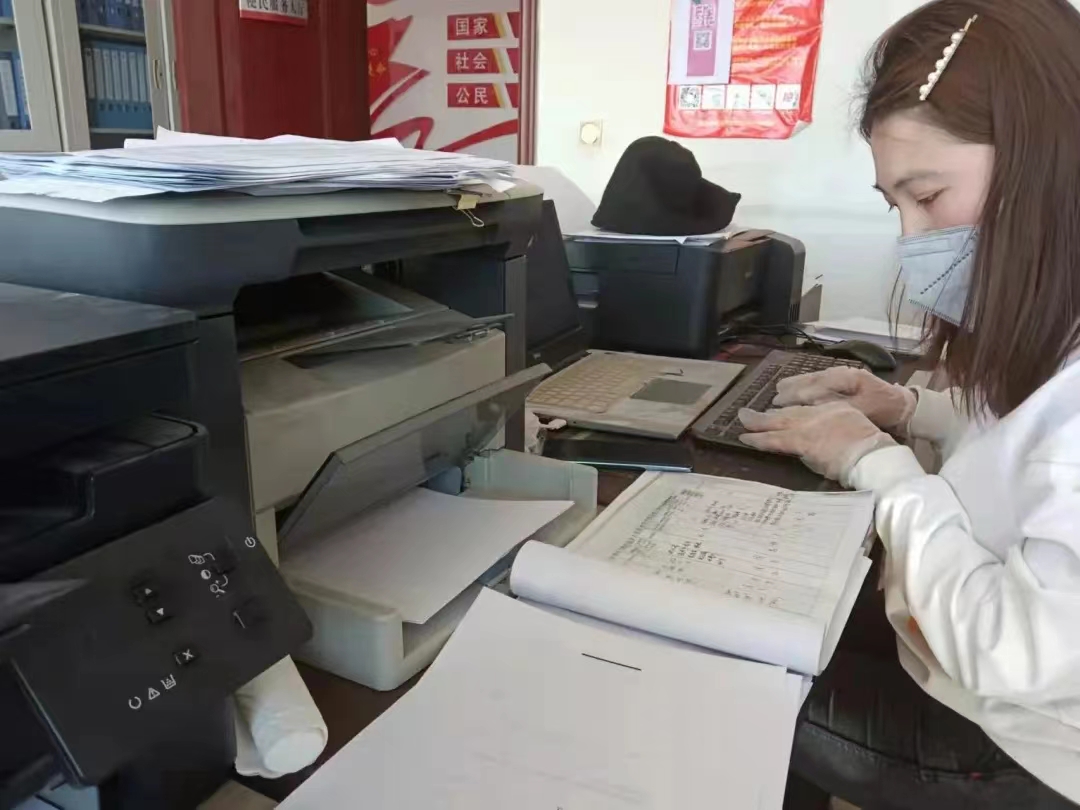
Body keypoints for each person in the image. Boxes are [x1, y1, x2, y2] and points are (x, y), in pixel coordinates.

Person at [738, 1, 1080, 808]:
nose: (911, 237)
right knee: (768, 607)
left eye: (926, 195)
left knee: (732, 675)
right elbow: (1029, 442)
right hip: (966, 661)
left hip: (1020, 741)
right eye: (895, 204)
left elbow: (1013, 654)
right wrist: (905, 409)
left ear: (1049, 165)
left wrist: (880, 468)